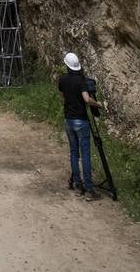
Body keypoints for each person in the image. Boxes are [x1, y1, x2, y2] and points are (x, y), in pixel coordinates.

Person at [58, 51, 102, 201]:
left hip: (68, 120)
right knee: (85, 155)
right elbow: (86, 99)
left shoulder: (62, 80)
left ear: (66, 65)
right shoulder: (81, 80)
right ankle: (89, 190)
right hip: (81, 121)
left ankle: (78, 186)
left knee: (74, 153)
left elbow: (63, 97)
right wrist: (98, 104)